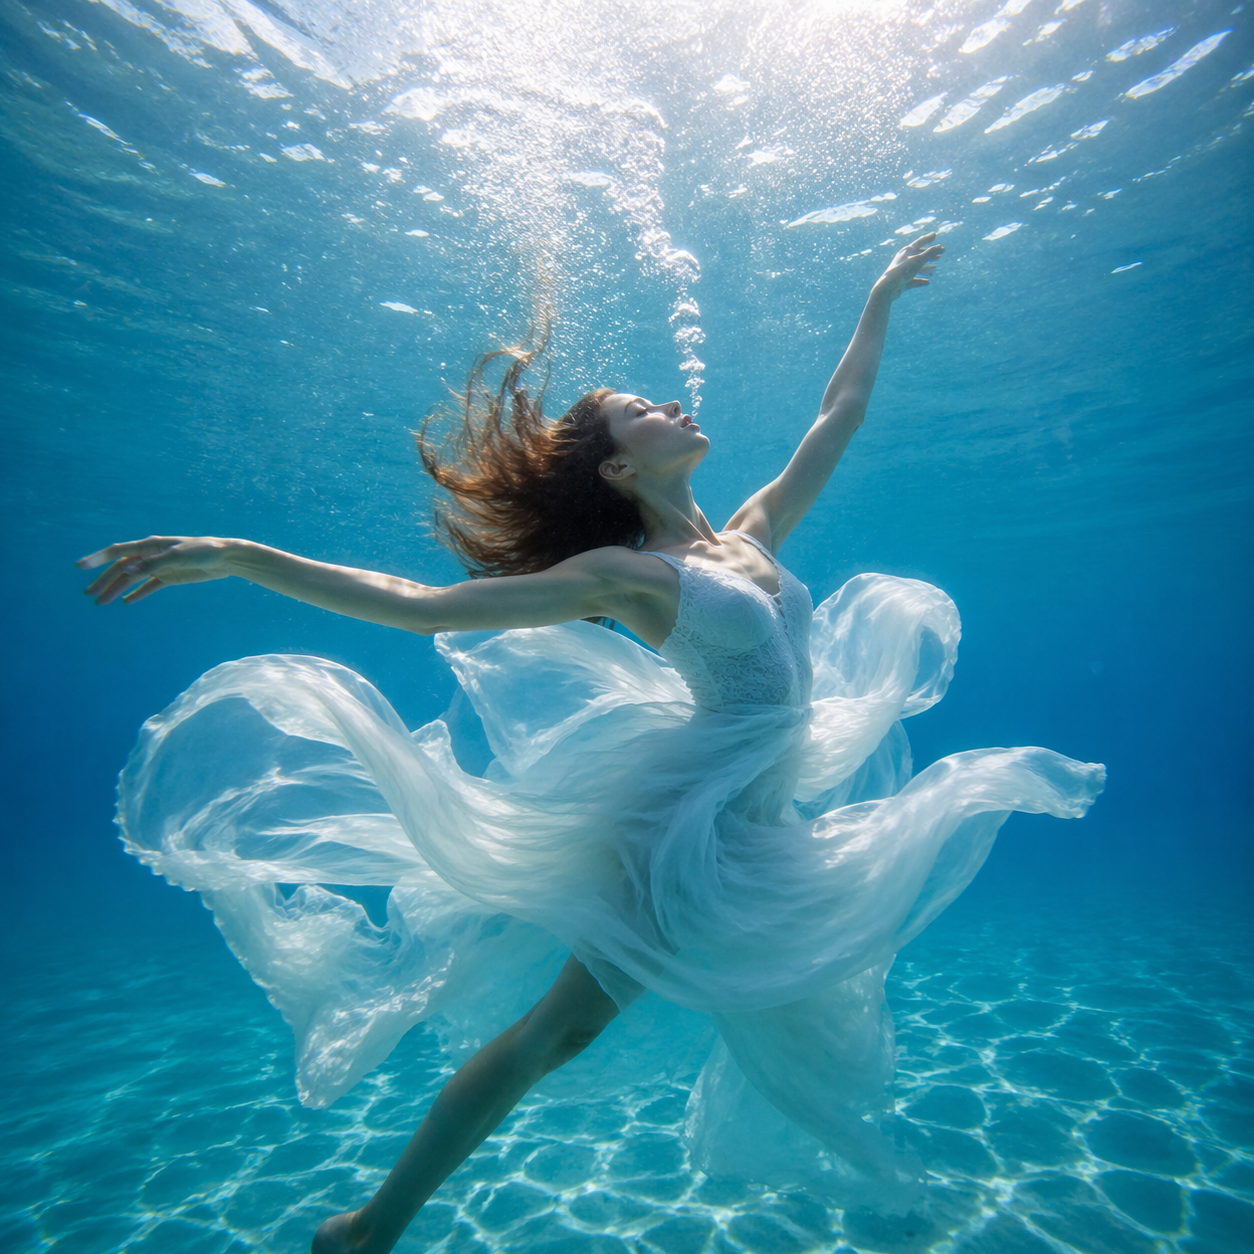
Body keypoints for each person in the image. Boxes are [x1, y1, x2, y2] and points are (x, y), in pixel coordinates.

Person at [79, 234, 1103, 1252]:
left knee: (589, 1031)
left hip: (751, 822)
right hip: (678, 833)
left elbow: (839, 417)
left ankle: (366, 1232)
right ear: (618, 464)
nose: (674, 406)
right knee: (555, 1037)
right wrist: (243, 556)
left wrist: (878, 296)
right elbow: (424, 603)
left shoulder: (748, 534)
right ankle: (368, 1230)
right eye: (644, 410)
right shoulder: (630, 574)